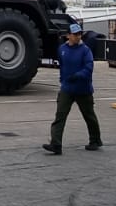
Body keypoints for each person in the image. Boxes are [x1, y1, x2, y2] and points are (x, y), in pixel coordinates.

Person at [42, 21, 102, 154]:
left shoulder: (85, 51)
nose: (78, 36)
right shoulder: (62, 49)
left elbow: (89, 68)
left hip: (83, 89)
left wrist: (78, 76)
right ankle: (56, 144)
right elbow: (63, 66)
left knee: (89, 116)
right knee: (60, 116)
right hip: (67, 89)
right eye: (75, 34)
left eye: (79, 34)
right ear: (68, 35)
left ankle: (95, 140)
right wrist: (63, 80)